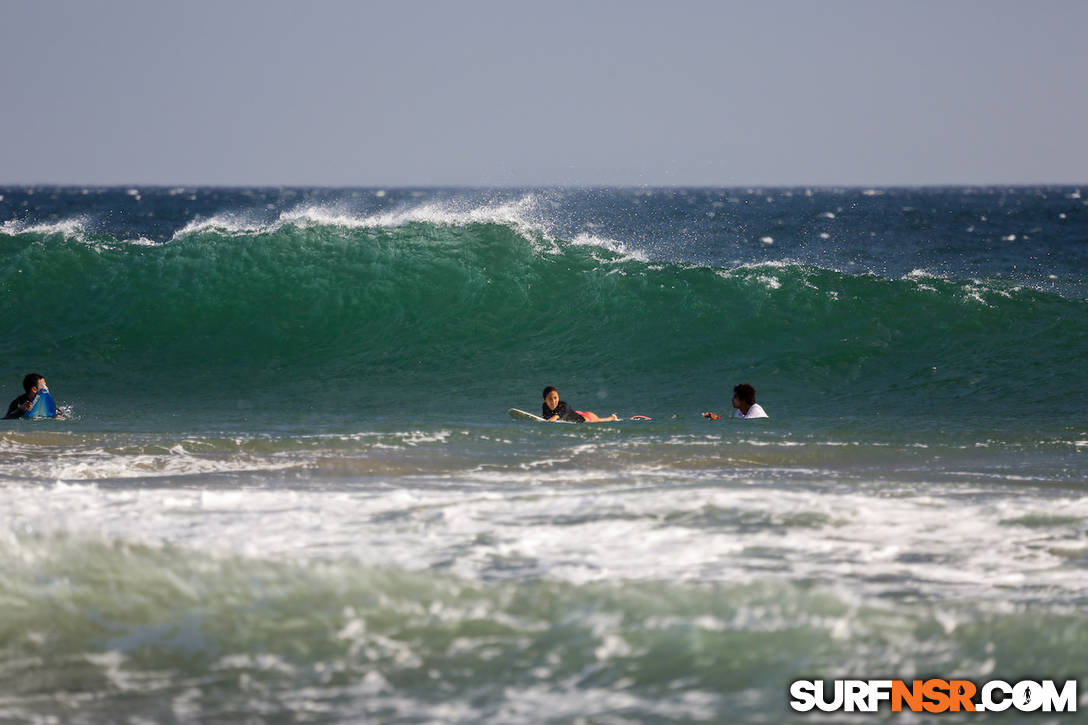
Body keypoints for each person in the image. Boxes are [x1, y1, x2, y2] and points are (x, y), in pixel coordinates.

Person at [542, 386, 618, 423]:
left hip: (587, 418)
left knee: (600, 420)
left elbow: (556, 416)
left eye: (555, 398)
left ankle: (612, 417)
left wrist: (549, 421)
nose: (553, 401)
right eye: (550, 399)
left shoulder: (564, 406)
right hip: (576, 414)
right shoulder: (544, 406)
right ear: (544, 400)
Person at [703, 383, 768, 420]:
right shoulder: (740, 411)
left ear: (743, 400)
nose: (732, 399)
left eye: (735, 397)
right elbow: (734, 421)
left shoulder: (756, 411)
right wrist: (716, 417)